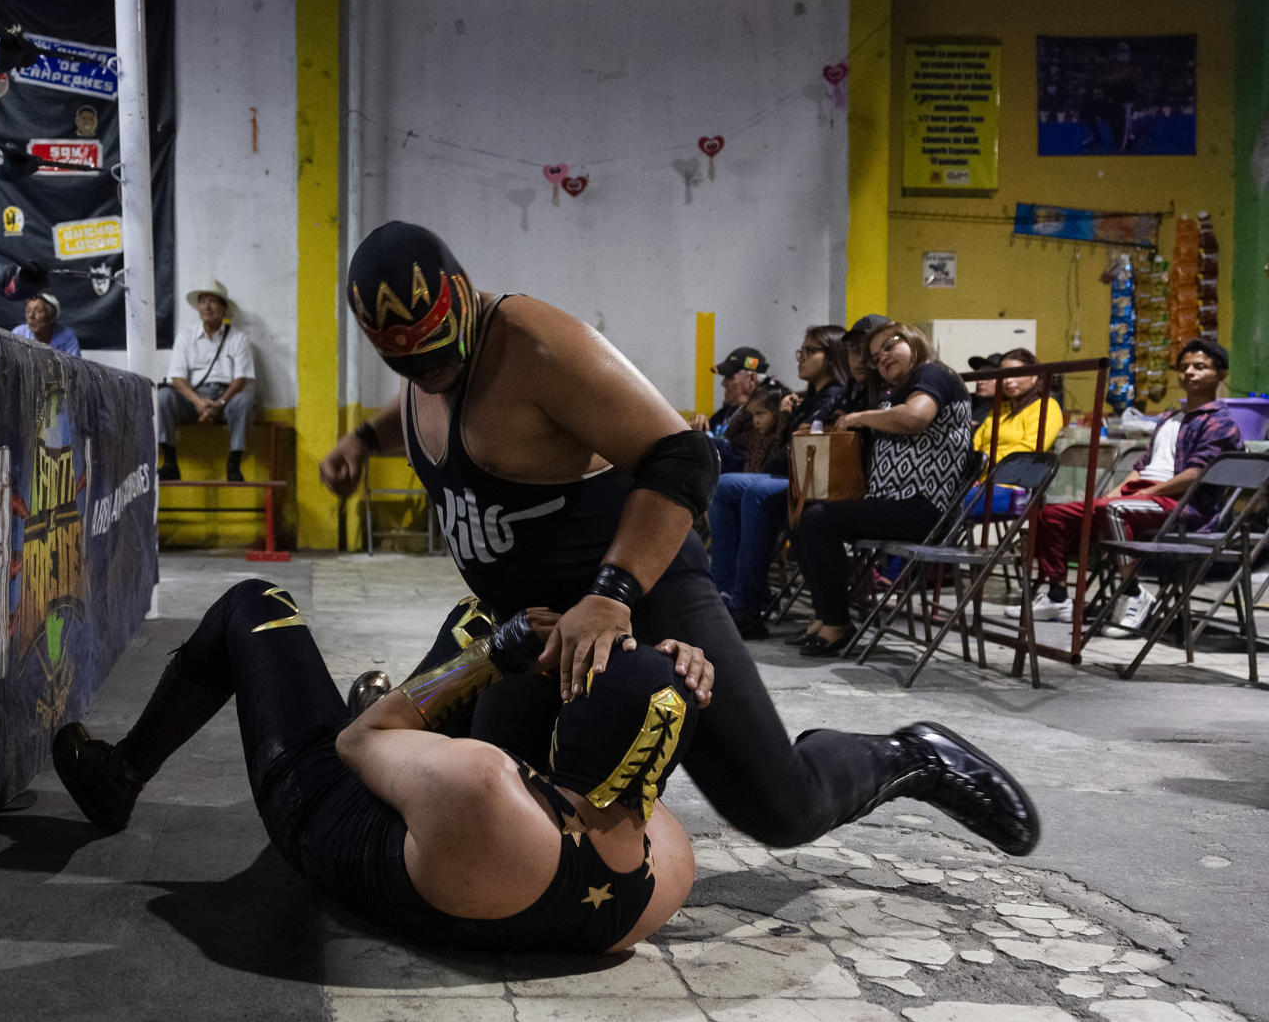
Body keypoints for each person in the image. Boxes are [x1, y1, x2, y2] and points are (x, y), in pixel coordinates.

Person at [318, 222, 1038, 858]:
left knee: (781, 809)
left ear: (465, 302)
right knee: (465, 793)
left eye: (445, 358)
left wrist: (612, 593)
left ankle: (914, 754)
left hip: (641, 593)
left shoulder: (532, 342)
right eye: (419, 367)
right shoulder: (424, 374)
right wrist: (362, 439)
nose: (436, 374)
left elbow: (686, 456)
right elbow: (419, 395)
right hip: (534, 629)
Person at [52, 579, 710, 953]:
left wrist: (492, 657)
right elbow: (641, 737)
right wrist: (670, 680)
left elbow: (358, 745)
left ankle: (121, 776)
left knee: (255, 604)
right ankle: (395, 713)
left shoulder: (483, 782)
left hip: (327, 808)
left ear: (570, 716)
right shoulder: (672, 866)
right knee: (476, 614)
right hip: (465, 846)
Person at [1014, 339, 1241, 629]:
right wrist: (1111, 494)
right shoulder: (1169, 418)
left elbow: (1198, 474)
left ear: (1220, 374)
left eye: (1200, 367)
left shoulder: (1218, 423)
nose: (1189, 373)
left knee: (1115, 511)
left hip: (1185, 505)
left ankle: (1134, 592)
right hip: (1141, 498)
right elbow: (1142, 467)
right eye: (1184, 367)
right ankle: (1058, 597)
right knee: (1051, 516)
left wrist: (1148, 492)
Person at [792, 320, 973, 658]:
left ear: (913, 341)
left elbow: (914, 418)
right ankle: (824, 614)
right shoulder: (899, 390)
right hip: (892, 502)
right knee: (804, 513)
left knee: (816, 519)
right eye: (876, 356)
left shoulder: (932, 374)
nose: (882, 358)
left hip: (923, 507)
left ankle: (836, 622)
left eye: (889, 346)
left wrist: (862, 417)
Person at [709, 324, 853, 639]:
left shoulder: (838, 395)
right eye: (800, 351)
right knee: (724, 486)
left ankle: (748, 606)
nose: (800, 358)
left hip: (819, 483)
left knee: (757, 492)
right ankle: (723, 594)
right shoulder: (808, 397)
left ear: (832, 356)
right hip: (793, 475)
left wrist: (792, 413)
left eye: (809, 351)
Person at [157, 279, 256, 482]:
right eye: (203, 302)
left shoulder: (239, 338)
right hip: (193, 399)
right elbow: (177, 378)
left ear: (224, 308)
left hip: (226, 398)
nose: (206, 307)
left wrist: (219, 404)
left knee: (245, 401)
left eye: (213, 301)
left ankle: (234, 464)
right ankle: (169, 463)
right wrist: (199, 402)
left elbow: (240, 380)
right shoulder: (186, 337)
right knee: (163, 396)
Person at [965, 348, 1063, 517]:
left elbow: (1029, 451)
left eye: (1017, 374)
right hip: (981, 483)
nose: (1009, 381)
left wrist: (982, 464)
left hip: (1017, 487)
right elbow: (976, 444)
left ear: (1034, 376)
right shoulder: (999, 409)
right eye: (1004, 375)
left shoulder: (1046, 406)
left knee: (947, 504)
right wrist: (972, 471)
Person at [692, 346, 767, 473]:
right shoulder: (725, 413)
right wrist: (697, 427)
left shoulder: (758, 417)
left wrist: (700, 441)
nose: (723, 383)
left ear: (751, 379)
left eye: (729, 377)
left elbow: (738, 460)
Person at [10, 292, 81, 356]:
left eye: (38, 311)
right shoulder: (19, 334)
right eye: (28, 311)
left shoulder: (67, 336)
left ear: (51, 317)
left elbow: (74, 367)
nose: (31, 316)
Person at [968, 353, 1002, 429]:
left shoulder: (1010, 407)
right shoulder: (967, 400)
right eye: (979, 375)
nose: (980, 381)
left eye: (989, 376)